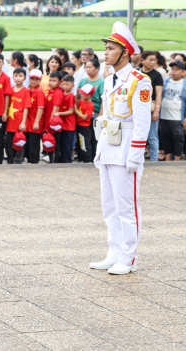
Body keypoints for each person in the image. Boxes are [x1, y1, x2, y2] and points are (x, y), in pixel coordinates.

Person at [90, 21, 151, 275]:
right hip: (108, 147)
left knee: (127, 207)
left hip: (126, 149)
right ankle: (114, 251)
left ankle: (129, 256)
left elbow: (141, 123)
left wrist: (135, 156)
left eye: (111, 48)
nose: (105, 52)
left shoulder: (139, 81)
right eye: (105, 47)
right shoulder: (110, 78)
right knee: (110, 206)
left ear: (125, 52)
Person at [139, 51, 164, 162]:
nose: (153, 62)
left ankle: (154, 161)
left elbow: (159, 94)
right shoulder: (137, 74)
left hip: (151, 108)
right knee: (138, 135)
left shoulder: (157, 75)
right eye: (150, 60)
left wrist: (157, 110)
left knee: (152, 137)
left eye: (155, 60)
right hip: (138, 109)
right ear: (143, 60)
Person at [160, 60, 186, 161]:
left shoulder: (184, 83)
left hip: (177, 117)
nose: (174, 72)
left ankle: (177, 160)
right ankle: (167, 160)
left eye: (177, 70)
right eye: (172, 69)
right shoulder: (165, 82)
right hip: (164, 116)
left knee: (178, 139)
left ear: (183, 71)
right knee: (166, 139)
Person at [4, 68, 31, 164]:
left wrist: (23, 122)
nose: (18, 78)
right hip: (10, 122)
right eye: (16, 76)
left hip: (19, 122)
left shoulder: (26, 91)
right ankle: (10, 160)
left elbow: (26, 107)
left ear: (24, 78)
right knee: (8, 143)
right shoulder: (10, 90)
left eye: (20, 76)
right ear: (13, 77)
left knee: (19, 142)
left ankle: (18, 160)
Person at [54, 75, 77, 163]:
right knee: (62, 144)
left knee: (67, 145)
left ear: (72, 86)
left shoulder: (71, 96)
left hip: (69, 124)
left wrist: (59, 113)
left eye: (67, 84)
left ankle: (67, 161)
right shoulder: (62, 94)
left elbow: (71, 111)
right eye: (64, 84)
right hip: (62, 124)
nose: (65, 86)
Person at [26, 69, 46, 164]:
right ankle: (29, 159)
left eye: (36, 79)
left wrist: (37, 122)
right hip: (29, 120)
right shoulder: (29, 90)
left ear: (40, 80)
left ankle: (34, 160)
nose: (34, 81)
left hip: (35, 120)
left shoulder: (40, 92)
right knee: (29, 141)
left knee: (34, 142)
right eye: (32, 78)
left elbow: (40, 108)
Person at [76, 84, 96, 163]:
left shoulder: (90, 105)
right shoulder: (81, 101)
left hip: (85, 126)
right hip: (79, 125)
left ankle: (87, 159)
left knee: (85, 143)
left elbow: (85, 117)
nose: (81, 94)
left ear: (89, 96)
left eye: (83, 93)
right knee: (81, 142)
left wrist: (76, 110)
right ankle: (82, 158)